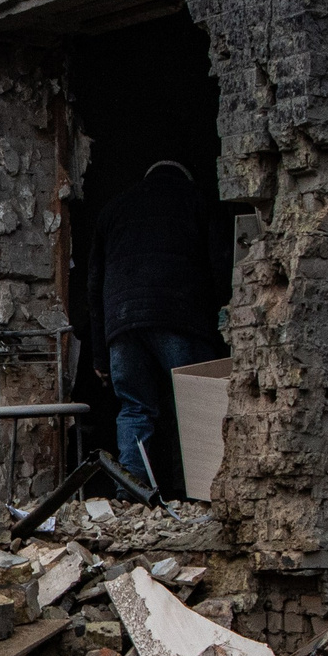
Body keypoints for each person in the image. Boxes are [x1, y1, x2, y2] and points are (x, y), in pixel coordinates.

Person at [87, 159, 225, 494]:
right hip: (179, 316)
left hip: (121, 324)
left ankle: (129, 493)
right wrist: (225, 325)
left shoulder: (114, 209)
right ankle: (203, 492)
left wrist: (100, 355)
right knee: (196, 401)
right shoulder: (196, 200)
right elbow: (220, 263)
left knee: (134, 407)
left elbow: (93, 286)